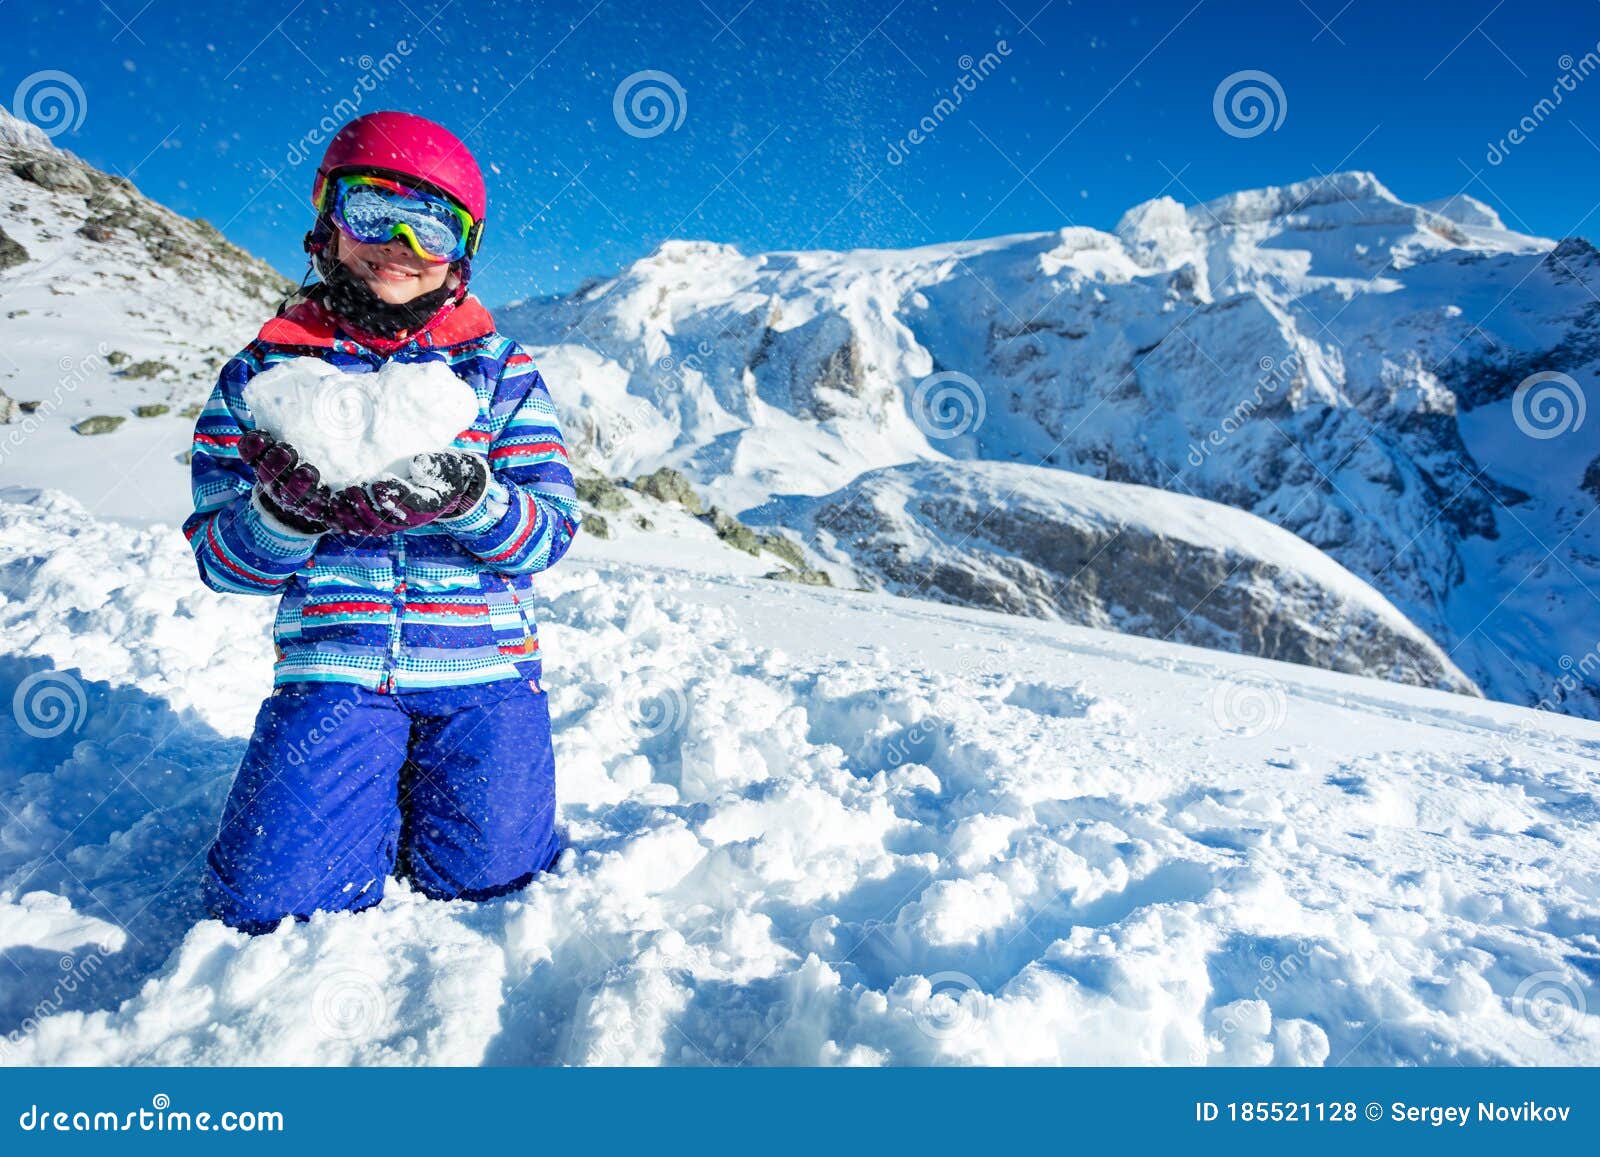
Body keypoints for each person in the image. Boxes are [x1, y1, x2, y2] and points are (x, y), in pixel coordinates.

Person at [182, 111, 580, 934]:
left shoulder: (499, 373)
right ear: (328, 219)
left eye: (429, 224)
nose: (398, 241)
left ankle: (412, 780)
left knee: (490, 879)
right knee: (270, 902)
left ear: (459, 255)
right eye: (373, 211)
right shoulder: (265, 375)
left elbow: (549, 533)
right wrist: (280, 512)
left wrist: (474, 496)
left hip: (485, 678)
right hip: (337, 677)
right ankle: (363, 769)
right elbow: (225, 562)